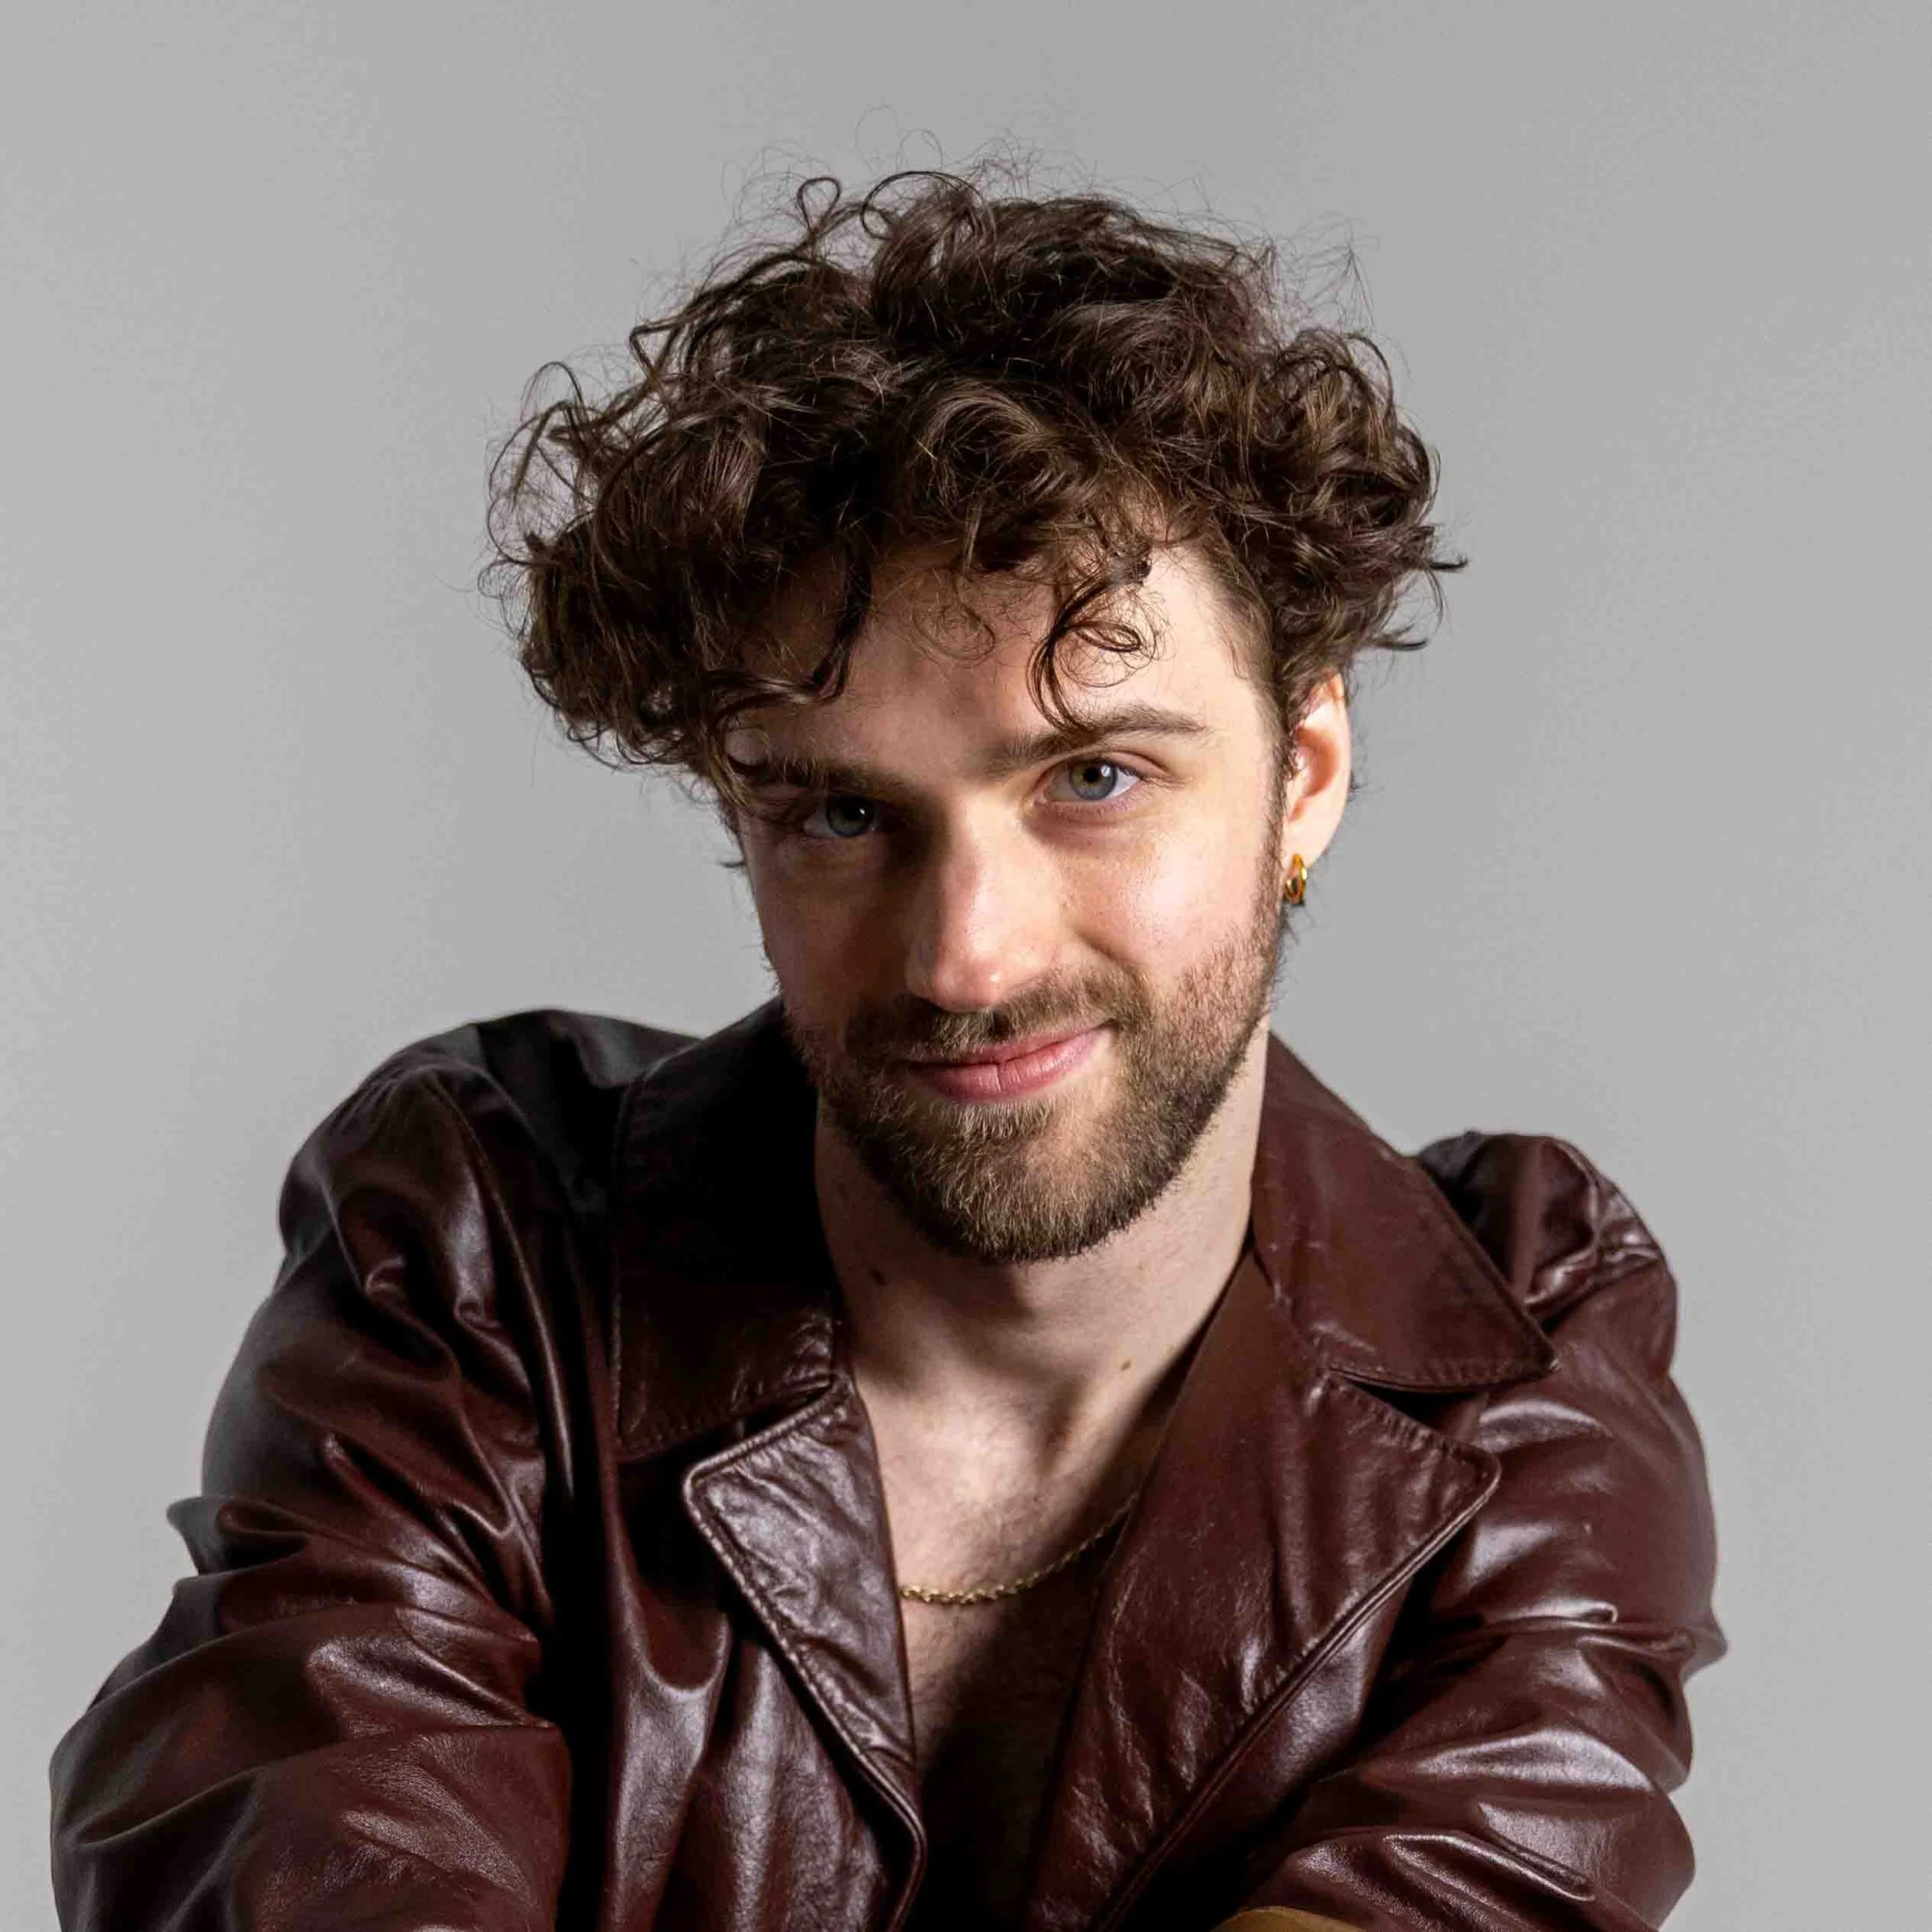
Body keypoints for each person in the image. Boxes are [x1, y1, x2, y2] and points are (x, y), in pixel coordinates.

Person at [48, 169, 1725, 1932]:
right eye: (843, 811)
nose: (962, 954)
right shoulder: (480, 1260)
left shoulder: (1521, 1343)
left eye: (1093, 776)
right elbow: (305, 1840)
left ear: (1301, 774)